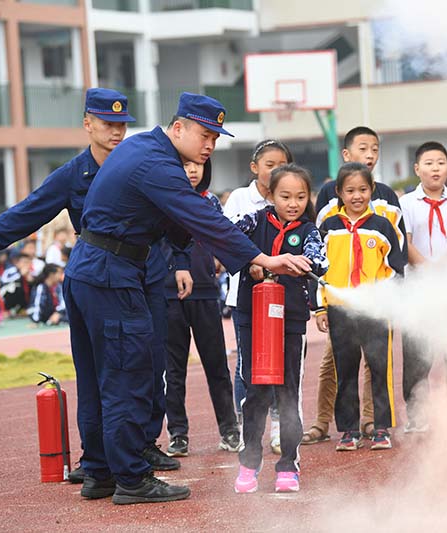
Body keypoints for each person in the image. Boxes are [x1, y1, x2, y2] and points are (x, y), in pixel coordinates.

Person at [62, 92, 311, 504]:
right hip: (112, 275)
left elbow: (176, 222)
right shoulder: (158, 164)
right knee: (128, 375)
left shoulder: (143, 147)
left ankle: (101, 472)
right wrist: (261, 256)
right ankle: (131, 478)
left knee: (97, 378)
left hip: (92, 270)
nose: (210, 145)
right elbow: (200, 218)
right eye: (204, 134)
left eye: (215, 137)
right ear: (178, 128)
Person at [0, 89, 184, 482]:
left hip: (147, 275)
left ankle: (142, 445)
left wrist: (179, 263)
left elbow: (180, 219)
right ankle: (97, 457)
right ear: (87, 125)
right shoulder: (71, 175)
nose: (116, 131)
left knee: (148, 366)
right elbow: (23, 216)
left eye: (122, 125)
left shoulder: (143, 164)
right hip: (100, 279)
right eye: (107, 123)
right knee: (100, 371)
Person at [303, 126, 406, 445]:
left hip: (375, 309)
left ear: (372, 190)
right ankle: (346, 429)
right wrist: (320, 306)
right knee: (344, 369)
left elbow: (396, 267)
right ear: (339, 193)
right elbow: (317, 268)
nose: (357, 196)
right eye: (350, 191)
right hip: (340, 309)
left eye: (363, 190)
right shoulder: (329, 227)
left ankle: (380, 428)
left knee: (379, 368)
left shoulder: (383, 226)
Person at [233, 164, 328, 494]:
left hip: (290, 321)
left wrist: (305, 263)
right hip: (254, 319)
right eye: (285, 196)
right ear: (269, 195)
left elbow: (320, 261)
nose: (293, 203)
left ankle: (288, 464)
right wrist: (253, 262)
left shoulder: (309, 231)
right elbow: (229, 239)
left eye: (301, 197)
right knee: (256, 391)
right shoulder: (254, 222)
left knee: (288, 392)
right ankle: (249, 462)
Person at [163, 160, 241, 458]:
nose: (192, 170)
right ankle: (178, 434)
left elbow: (223, 237)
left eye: (198, 165)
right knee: (174, 370)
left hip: (206, 292)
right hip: (170, 293)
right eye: (184, 165)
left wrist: (221, 259)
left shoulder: (210, 202)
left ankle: (229, 430)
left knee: (216, 365)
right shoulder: (162, 201)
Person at [399, 142, 447, 431]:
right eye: (429, 163)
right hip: (418, 288)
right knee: (417, 352)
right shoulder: (406, 204)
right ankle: (418, 416)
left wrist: (443, 268)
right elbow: (404, 242)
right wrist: (427, 268)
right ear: (417, 168)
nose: (435, 168)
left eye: (441, 162)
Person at [222, 139, 292, 445]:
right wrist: (249, 261)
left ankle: (279, 424)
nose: (277, 171)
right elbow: (223, 238)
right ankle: (245, 424)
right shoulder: (240, 199)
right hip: (245, 296)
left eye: (283, 165)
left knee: (280, 360)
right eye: (270, 165)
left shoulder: (289, 199)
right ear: (254, 168)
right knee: (246, 364)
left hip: (282, 295)